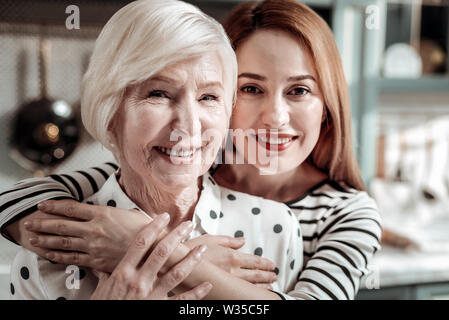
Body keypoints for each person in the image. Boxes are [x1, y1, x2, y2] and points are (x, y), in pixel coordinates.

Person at [0, 0, 382, 300]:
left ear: (328, 105)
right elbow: (19, 198)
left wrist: (145, 250)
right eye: (251, 88)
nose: (276, 117)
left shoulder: (316, 219)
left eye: (299, 90)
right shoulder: (177, 165)